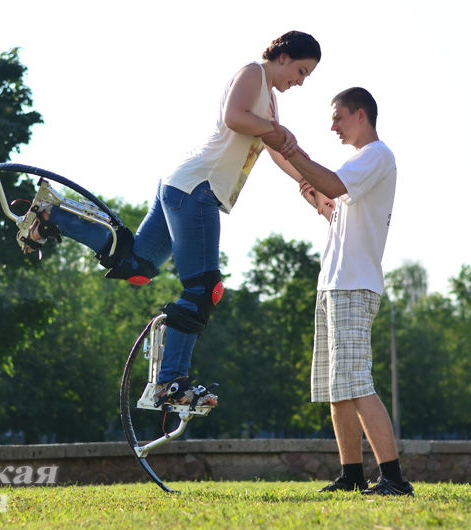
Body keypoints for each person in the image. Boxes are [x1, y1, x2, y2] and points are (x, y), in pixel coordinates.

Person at [29, 31, 322, 408]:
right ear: (283, 56)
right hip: (196, 190)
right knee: (203, 289)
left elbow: (278, 148)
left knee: (136, 265)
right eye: (301, 71)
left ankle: (53, 213)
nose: (300, 82)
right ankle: (170, 382)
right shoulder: (254, 73)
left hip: (182, 185)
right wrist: (276, 131)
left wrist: (311, 184)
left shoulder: (269, 100)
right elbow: (235, 118)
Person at [261, 87, 413, 496]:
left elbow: (328, 180)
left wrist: (292, 150)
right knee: (337, 388)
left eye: (338, 117)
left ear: (360, 115)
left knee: (356, 382)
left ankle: (394, 479)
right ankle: (351, 476)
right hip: (333, 284)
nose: (333, 126)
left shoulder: (376, 155)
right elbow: (325, 193)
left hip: (353, 285)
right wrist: (270, 132)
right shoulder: (357, 164)